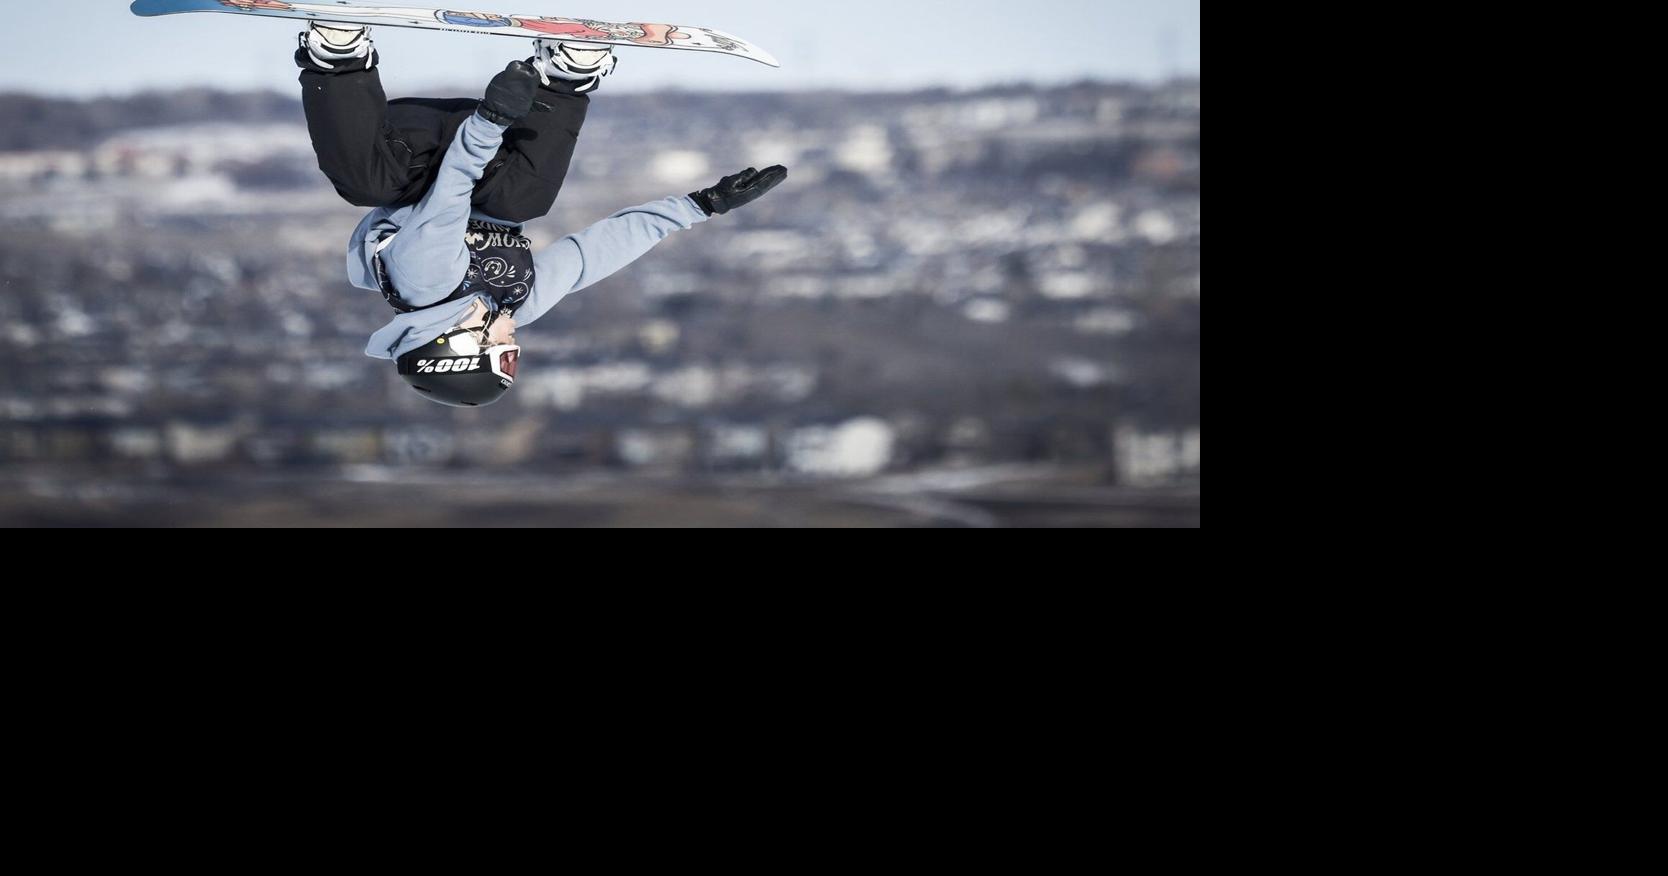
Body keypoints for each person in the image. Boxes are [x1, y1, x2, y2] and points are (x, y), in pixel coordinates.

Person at [295, 23, 788, 407]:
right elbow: (589, 256)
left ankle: (338, 61)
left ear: (457, 347)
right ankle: (566, 77)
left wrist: (490, 121)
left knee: (365, 186)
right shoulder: (517, 303)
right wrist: (700, 206)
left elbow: (447, 196)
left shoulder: (424, 284)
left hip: (416, 147)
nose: (515, 343)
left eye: (504, 353)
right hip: (491, 138)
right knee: (522, 204)